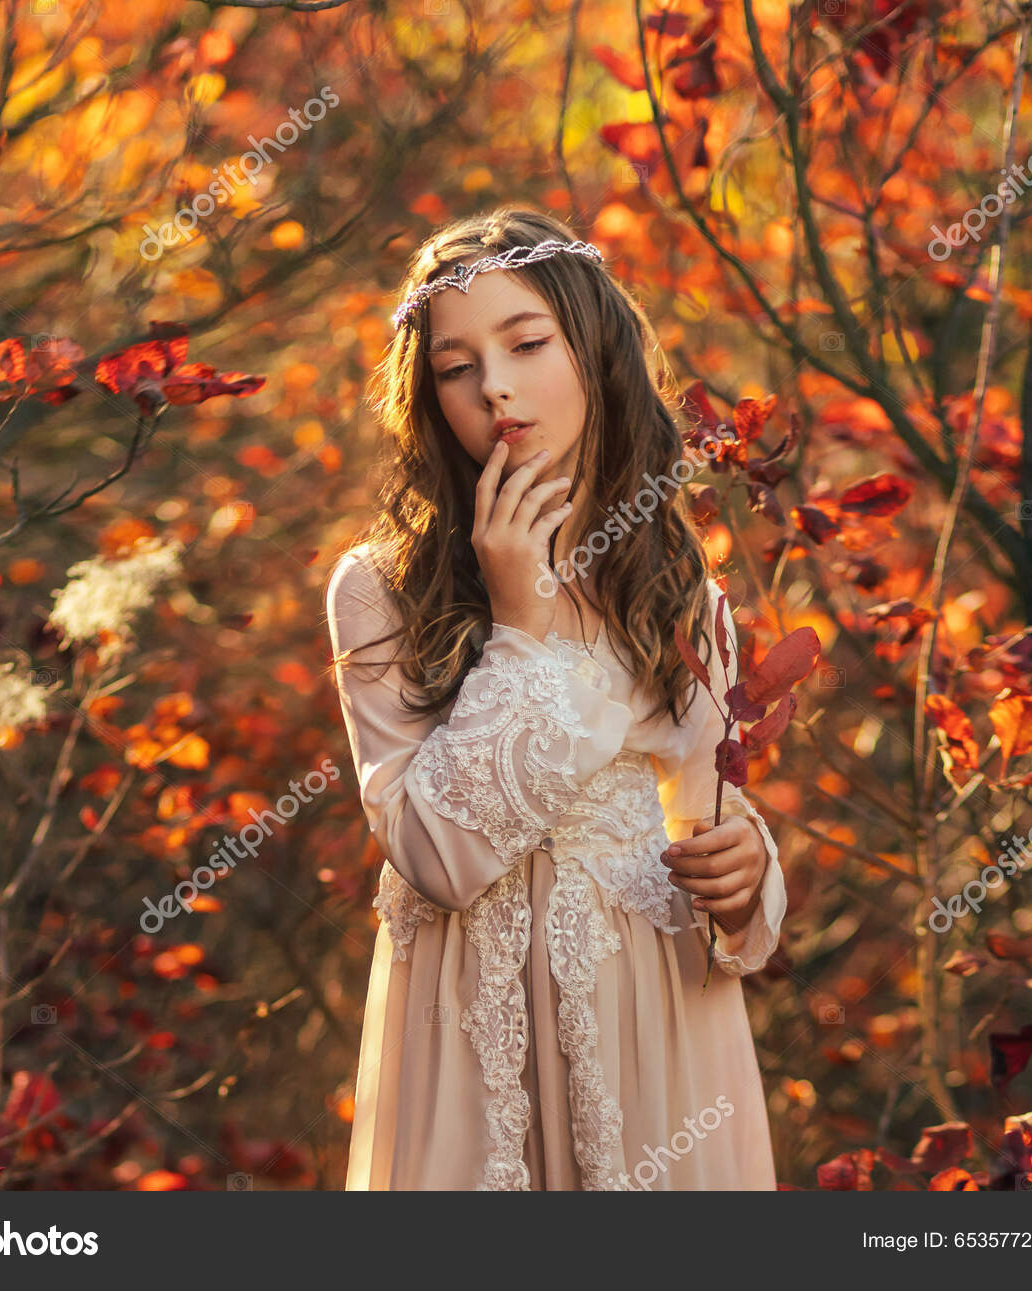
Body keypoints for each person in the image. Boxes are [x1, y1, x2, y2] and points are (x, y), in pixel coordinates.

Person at [325, 206, 787, 1190]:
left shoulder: (684, 600)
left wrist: (744, 874)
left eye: (526, 343)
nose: (493, 384)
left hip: (663, 1041)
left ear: (594, 350)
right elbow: (437, 858)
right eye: (455, 366)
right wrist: (520, 626)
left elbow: (701, 830)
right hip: (468, 1053)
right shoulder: (379, 591)